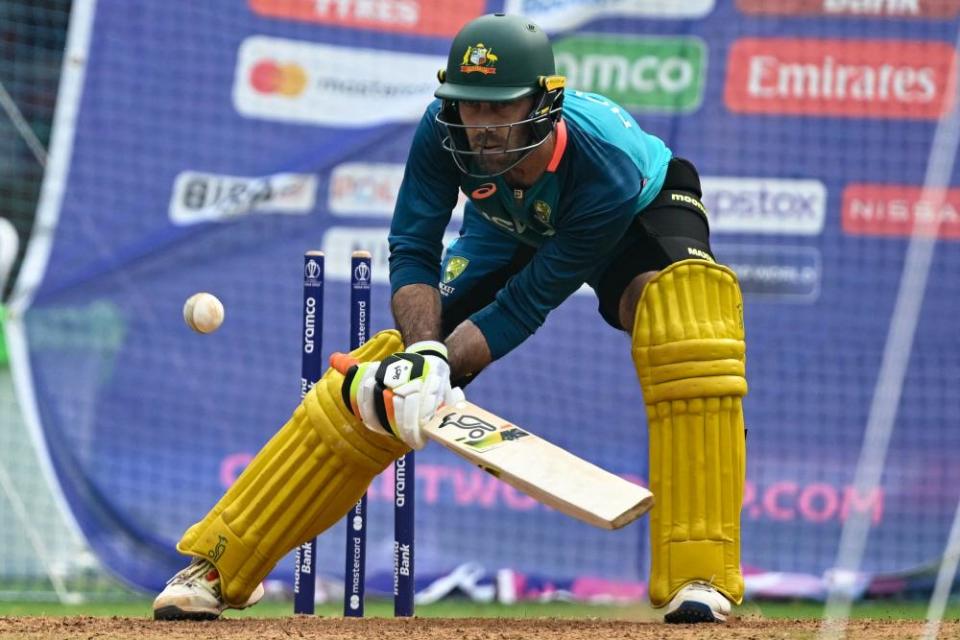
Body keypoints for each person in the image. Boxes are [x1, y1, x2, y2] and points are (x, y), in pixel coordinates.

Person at [154, 13, 747, 625]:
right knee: (378, 378)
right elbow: (413, 246)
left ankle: (700, 576)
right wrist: (421, 361)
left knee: (686, 320)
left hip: (632, 214)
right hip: (505, 222)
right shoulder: (442, 133)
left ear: (546, 103)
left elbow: (525, 303)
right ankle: (222, 564)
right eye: (471, 107)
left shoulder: (605, 164)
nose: (483, 127)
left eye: (501, 108)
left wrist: (447, 363)